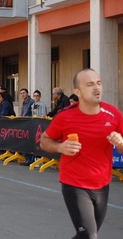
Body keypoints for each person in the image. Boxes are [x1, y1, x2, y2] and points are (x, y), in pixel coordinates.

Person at [40, 68, 123, 238]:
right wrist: (60, 147)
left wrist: (120, 143)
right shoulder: (65, 116)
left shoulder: (113, 113)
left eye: (98, 83)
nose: (96, 88)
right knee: (89, 236)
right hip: (74, 182)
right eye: (90, 84)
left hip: (102, 183)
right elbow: (44, 140)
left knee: (84, 235)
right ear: (77, 91)